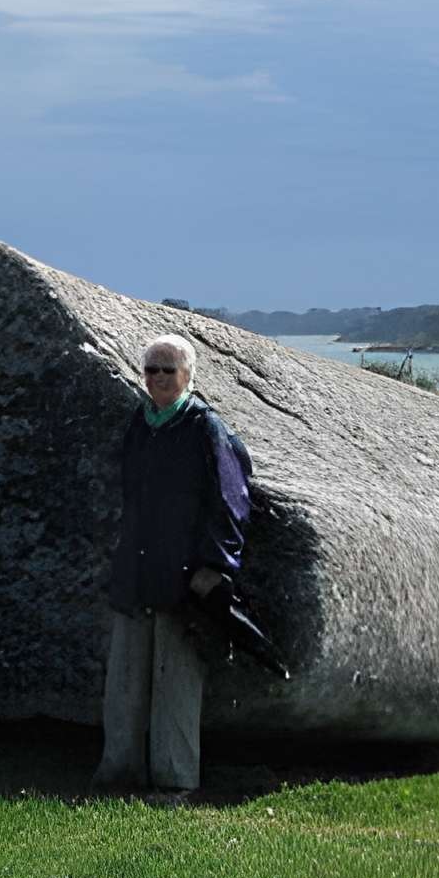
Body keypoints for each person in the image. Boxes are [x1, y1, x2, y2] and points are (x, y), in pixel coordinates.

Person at [95, 333, 251, 796]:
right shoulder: (140, 424)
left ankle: (174, 782)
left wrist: (214, 565)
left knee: (176, 683)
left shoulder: (206, 427)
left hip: (183, 576)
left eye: (168, 369)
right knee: (124, 681)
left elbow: (232, 501)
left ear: (188, 376)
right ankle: (118, 773)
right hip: (136, 571)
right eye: (151, 369)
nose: (159, 377)